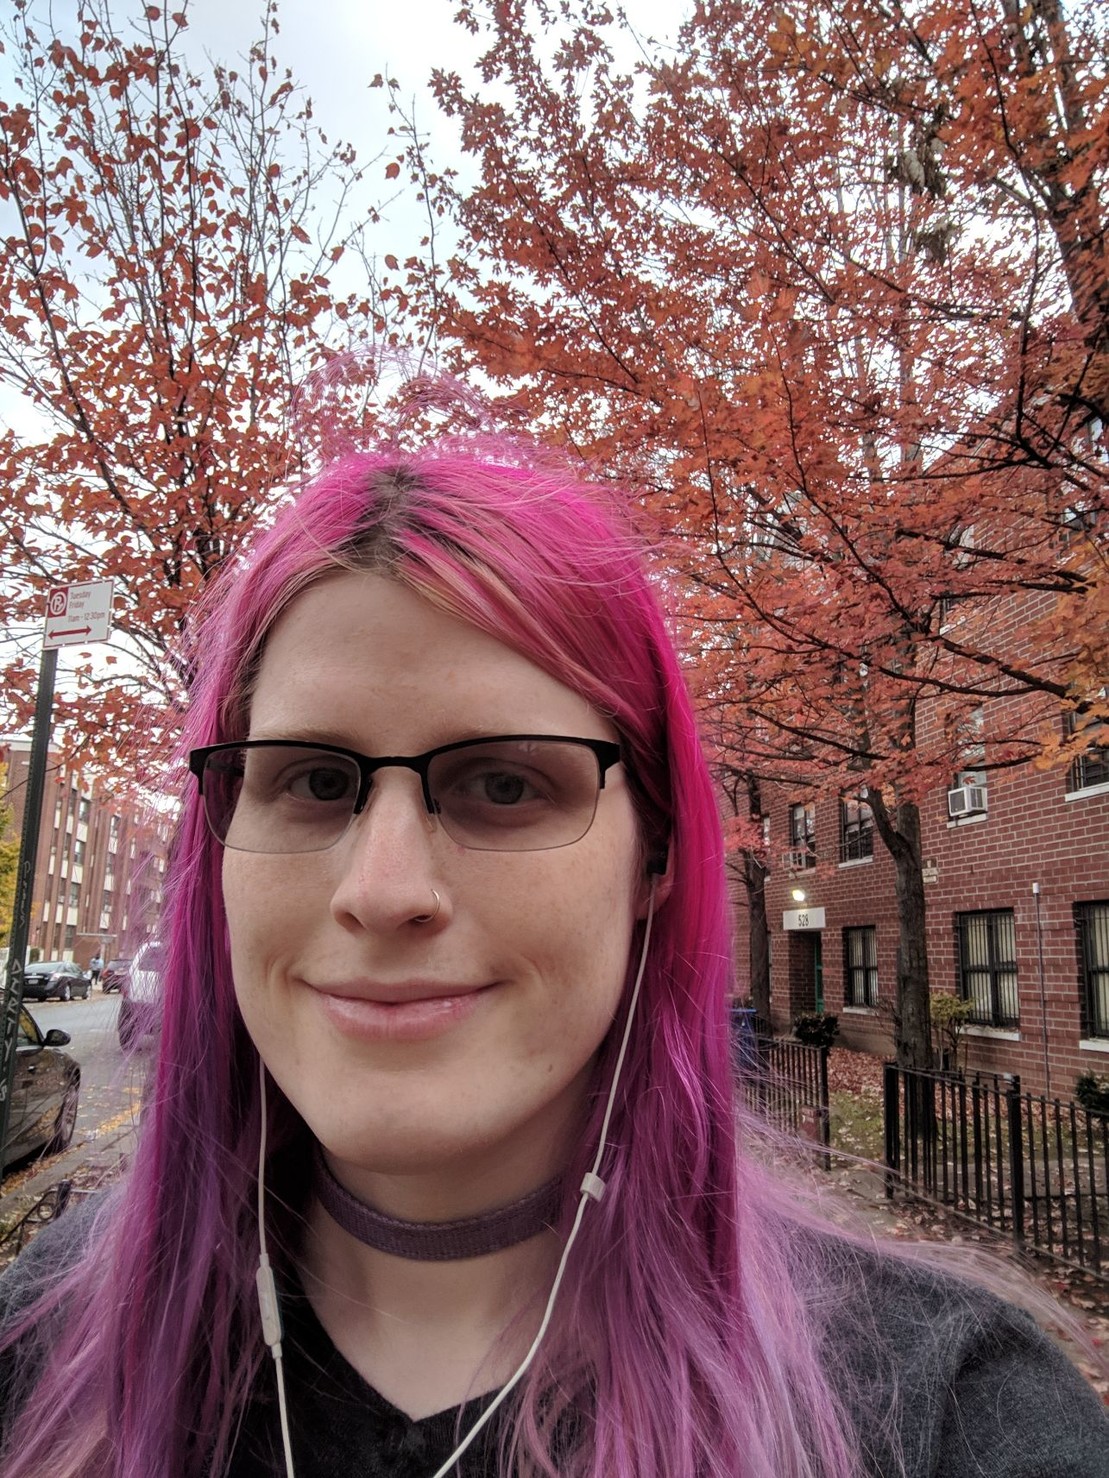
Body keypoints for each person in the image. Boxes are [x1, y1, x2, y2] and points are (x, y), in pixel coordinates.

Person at [0, 443, 1106, 1478]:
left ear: (653, 854)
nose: (382, 891)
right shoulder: (45, 1337)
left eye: (503, 783)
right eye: (314, 781)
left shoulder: (945, 1414)